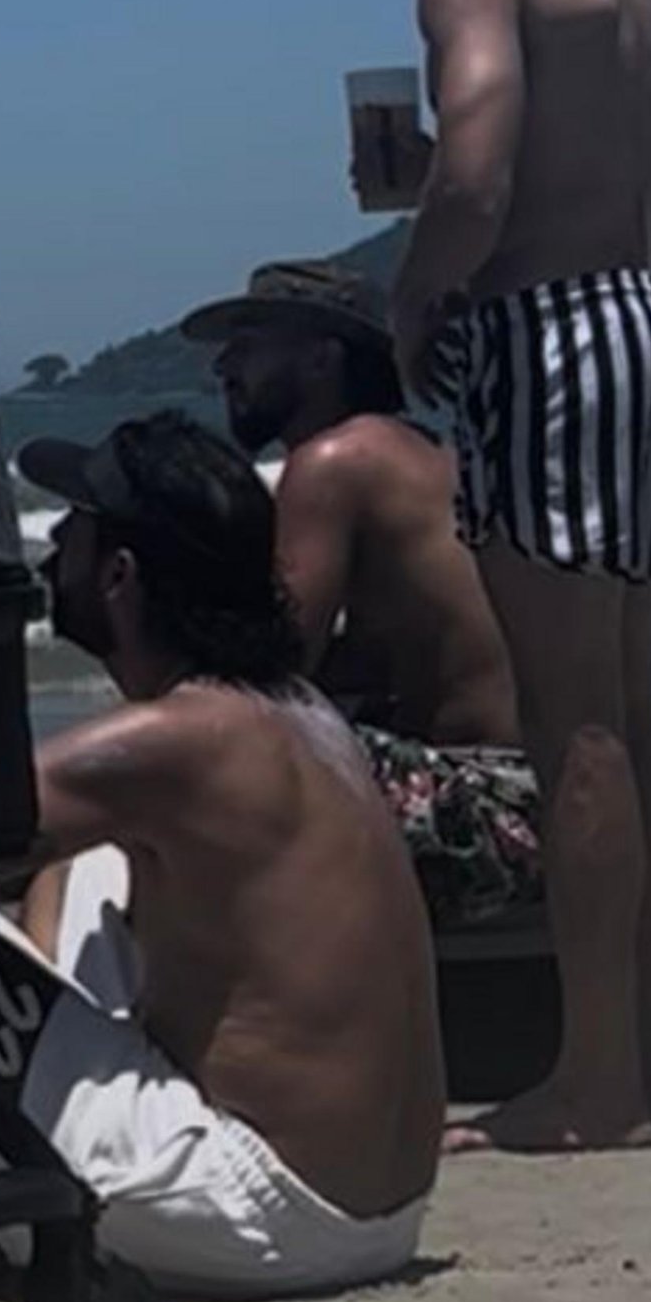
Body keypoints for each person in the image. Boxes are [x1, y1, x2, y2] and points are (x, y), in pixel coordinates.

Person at [240, 0, 651, 1155]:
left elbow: (485, 178)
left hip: (554, 328)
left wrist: (406, 303)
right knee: (626, 708)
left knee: (568, 713)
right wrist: (445, 187)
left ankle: (589, 1086)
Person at [0, 414, 442, 1298]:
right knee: (85, 862)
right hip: (384, 1207)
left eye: (73, 523)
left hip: (267, 1210)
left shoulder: (171, 743)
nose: (54, 539)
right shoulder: (293, 709)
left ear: (119, 576)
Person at [180, 258, 533, 927]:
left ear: (320, 359)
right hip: (527, 795)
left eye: (249, 344)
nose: (223, 366)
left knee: (198, 761)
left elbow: (278, 664)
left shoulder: (333, 463)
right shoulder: (425, 455)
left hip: (478, 806)